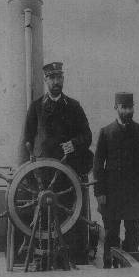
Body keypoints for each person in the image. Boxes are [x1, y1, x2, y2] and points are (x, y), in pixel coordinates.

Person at [23, 62, 93, 265]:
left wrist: (74, 143)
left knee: (68, 216)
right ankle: (42, 258)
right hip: (43, 175)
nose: (56, 82)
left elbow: (87, 136)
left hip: (67, 174)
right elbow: (27, 137)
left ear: (63, 79)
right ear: (46, 80)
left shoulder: (74, 106)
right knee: (42, 216)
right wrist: (31, 158)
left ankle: (66, 259)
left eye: (59, 77)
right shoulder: (36, 106)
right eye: (52, 78)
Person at [93, 92, 139, 268]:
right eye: (124, 107)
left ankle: (130, 272)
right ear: (116, 108)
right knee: (111, 234)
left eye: (131, 107)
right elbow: (98, 165)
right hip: (111, 196)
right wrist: (99, 192)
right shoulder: (106, 132)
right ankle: (108, 268)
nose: (128, 111)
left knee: (132, 234)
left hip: (135, 195)